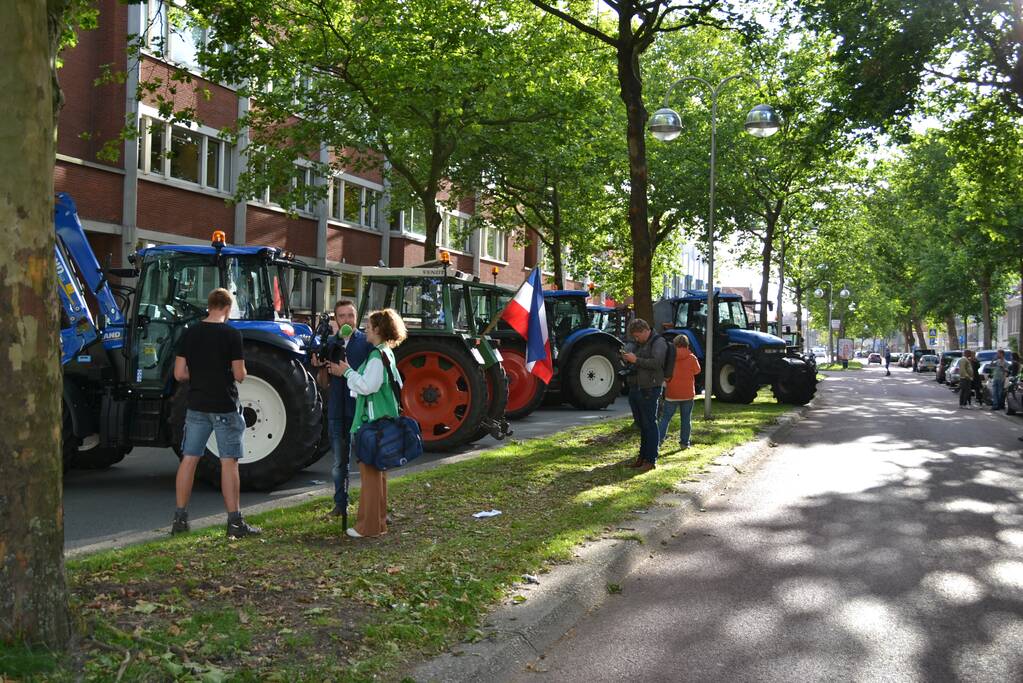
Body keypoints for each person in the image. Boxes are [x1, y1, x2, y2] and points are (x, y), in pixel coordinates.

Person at [171, 288, 261, 538]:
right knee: (228, 462)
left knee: (189, 459)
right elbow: (239, 375)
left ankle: (180, 519)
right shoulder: (231, 334)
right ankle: (235, 522)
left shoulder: (190, 333)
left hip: (196, 405)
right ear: (228, 308)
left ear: (209, 306)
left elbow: (179, 374)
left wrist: (200, 373)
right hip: (224, 406)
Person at [332, 308, 408, 538]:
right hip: (383, 421)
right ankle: (378, 523)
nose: (365, 329)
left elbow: (367, 386)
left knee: (371, 476)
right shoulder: (385, 353)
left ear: (378, 329)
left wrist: (347, 373)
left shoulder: (376, 356)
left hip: (373, 423)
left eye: (369, 326)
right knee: (378, 474)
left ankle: (369, 527)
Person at [310, 300, 372, 517]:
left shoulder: (366, 342)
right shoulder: (329, 344)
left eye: (351, 315)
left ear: (356, 317)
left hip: (361, 411)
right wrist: (321, 367)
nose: (347, 320)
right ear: (335, 319)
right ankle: (340, 505)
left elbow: (372, 377)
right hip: (337, 410)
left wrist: (345, 371)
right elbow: (323, 383)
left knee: (367, 462)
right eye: (342, 316)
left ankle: (372, 508)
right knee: (339, 463)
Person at [621, 319, 668, 471]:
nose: (636, 339)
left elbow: (657, 363)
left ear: (645, 331)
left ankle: (651, 459)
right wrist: (627, 358)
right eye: (634, 337)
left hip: (650, 388)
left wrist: (636, 360)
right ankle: (643, 456)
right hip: (636, 387)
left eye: (637, 336)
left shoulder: (659, 342)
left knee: (650, 424)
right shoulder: (640, 343)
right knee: (642, 425)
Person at [658, 335, 701, 449]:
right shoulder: (692, 357)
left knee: (665, 418)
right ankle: (684, 443)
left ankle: (658, 441)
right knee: (686, 419)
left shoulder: (670, 358)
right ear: (687, 345)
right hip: (687, 394)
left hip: (672, 393)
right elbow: (697, 371)